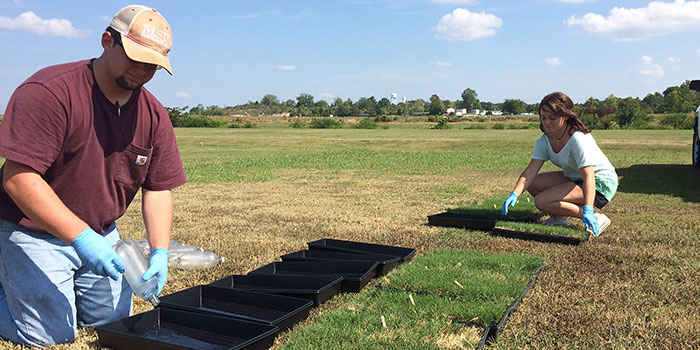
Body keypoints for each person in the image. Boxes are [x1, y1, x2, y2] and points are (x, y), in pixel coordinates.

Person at [0, 5, 186, 347]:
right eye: (135, 56)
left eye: (153, 64)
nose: (143, 69)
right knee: (50, 336)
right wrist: (80, 238)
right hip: (30, 230)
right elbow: (18, 177)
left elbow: (158, 188)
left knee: (112, 324)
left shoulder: (154, 115)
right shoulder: (50, 92)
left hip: (102, 234)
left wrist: (159, 251)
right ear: (107, 41)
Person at [501, 92, 617, 236]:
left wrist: (587, 208)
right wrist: (514, 194)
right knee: (533, 183)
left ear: (566, 116)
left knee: (542, 201)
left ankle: (595, 217)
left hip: (600, 183)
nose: (546, 122)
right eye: (543, 118)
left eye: (552, 118)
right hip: (574, 177)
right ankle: (560, 219)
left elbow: (589, 177)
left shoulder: (578, 139)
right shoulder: (544, 141)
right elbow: (530, 171)